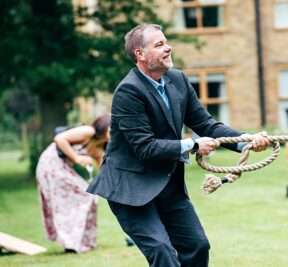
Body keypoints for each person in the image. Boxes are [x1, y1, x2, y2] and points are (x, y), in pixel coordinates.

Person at [86, 24, 270, 267]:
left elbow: (206, 125)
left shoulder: (178, 80)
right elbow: (146, 147)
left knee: (197, 246)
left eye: (166, 41)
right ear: (140, 54)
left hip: (168, 185)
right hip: (130, 189)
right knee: (162, 251)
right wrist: (192, 146)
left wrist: (245, 141)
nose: (168, 47)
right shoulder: (128, 92)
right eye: (159, 44)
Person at [35, 114, 110, 253]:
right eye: (111, 128)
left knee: (90, 196)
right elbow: (59, 139)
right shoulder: (89, 131)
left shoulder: (99, 146)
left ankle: (82, 241)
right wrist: (76, 158)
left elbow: (102, 168)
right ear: (103, 127)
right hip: (50, 163)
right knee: (80, 196)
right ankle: (71, 243)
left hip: (62, 166)